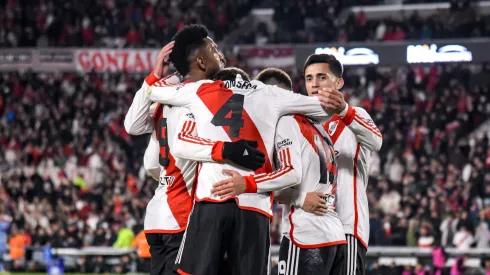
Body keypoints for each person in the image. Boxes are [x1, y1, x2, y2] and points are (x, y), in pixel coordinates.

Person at [145, 27, 336, 274]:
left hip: (210, 202)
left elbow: (155, 96)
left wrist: (160, 73)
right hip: (255, 209)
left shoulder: (201, 91)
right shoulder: (272, 96)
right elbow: (323, 109)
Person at [124, 38, 263, 275]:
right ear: (200, 60)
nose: (219, 54)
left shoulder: (166, 97)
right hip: (183, 215)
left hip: (158, 212)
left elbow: (134, 130)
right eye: (214, 50)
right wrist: (228, 150)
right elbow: (180, 144)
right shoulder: (198, 102)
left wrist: (154, 75)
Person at [253, 68, 347, 274]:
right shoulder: (319, 128)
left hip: (306, 234)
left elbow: (286, 176)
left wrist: (299, 198)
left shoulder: (285, 123)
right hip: (334, 233)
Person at [303, 54, 383, 275]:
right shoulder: (299, 122)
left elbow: (376, 141)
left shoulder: (356, 116)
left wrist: (344, 111)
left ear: (339, 82)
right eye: (309, 79)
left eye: (322, 77)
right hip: (309, 230)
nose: (315, 84)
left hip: (347, 227)